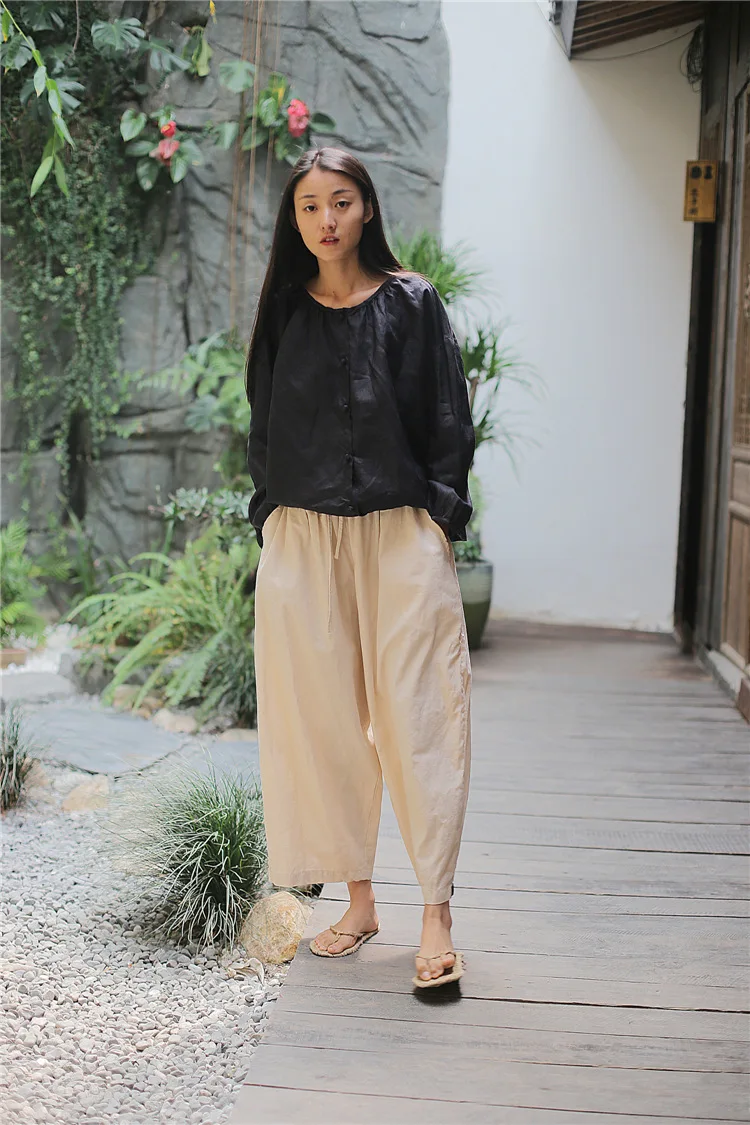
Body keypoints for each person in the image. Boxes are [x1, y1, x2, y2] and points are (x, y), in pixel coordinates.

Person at [245, 145, 475, 988]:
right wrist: (270, 516)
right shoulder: (284, 309)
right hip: (303, 537)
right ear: (295, 219)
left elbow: (447, 411)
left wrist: (441, 517)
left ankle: (437, 912)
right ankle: (359, 900)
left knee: (421, 710)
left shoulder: (413, 301)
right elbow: (262, 419)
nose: (326, 220)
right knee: (323, 720)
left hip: (399, 528)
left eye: (340, 201)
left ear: (367, 208)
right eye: (310, 206)